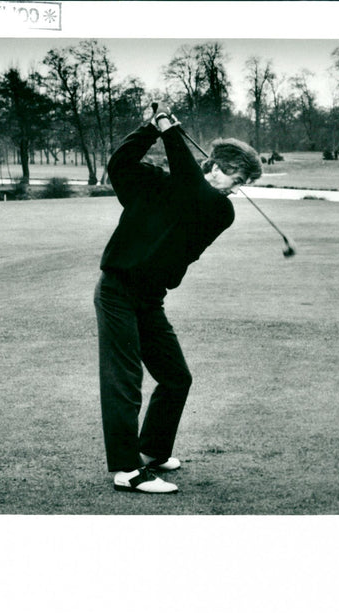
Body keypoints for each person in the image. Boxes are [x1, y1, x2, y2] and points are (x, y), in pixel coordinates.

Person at [94, 106, 262, 493]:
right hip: (117, 290)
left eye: (241, 184)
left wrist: (171, 132)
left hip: (150, 298)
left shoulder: (220, 209)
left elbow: (193, 192)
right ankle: (126, 471)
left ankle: (152, 450)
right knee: (124, 379)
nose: (235, 189)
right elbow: (119, 164)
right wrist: (150, 129)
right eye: (235, 178)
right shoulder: (157, 183)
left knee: (176, 377)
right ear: (215, 166)